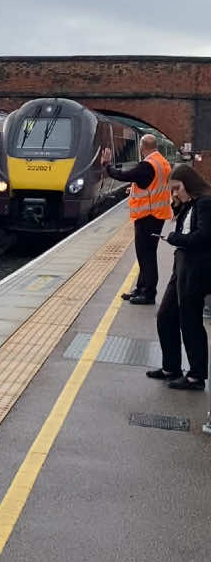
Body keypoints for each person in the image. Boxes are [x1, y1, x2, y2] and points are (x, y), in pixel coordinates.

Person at [146, 165, 211, 423]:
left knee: (190, 320)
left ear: (188, 183)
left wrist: (175, 239)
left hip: (196, 268)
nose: (175, 193)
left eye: (177, 188)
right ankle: (171, 367)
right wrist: (176, 205)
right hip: (181, 266)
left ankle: (196, 375)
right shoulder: (190, 203)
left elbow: (204, 236)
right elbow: (184, 225)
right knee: (166, 315)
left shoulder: (205, 203)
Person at [101, 134, 173, 304]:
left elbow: (122, 175)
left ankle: (148, 293)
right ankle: (141, 288)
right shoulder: (162, 162)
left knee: (146, 255)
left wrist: (106, 165)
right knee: (146, 254)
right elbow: (151, 185)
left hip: (147, 216)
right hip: (157, 215)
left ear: (142, 147)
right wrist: (133, 189)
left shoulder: (147, 165)